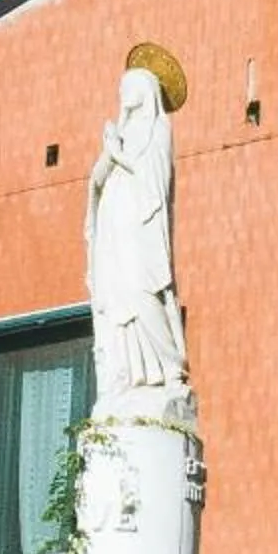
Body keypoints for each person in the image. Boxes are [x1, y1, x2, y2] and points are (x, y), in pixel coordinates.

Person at [85, 63, 188, 400]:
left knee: (142, 290)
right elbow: (97, 179)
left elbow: (152, 176)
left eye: (128, 86)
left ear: (145, 90)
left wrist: (117, 153)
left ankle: (170, 363)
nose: (122, 93)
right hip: (115, 222)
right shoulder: (122, 132)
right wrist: (109, 152)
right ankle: (129, 373)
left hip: (140, 223)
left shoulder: (159, 127)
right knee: (118, 294)